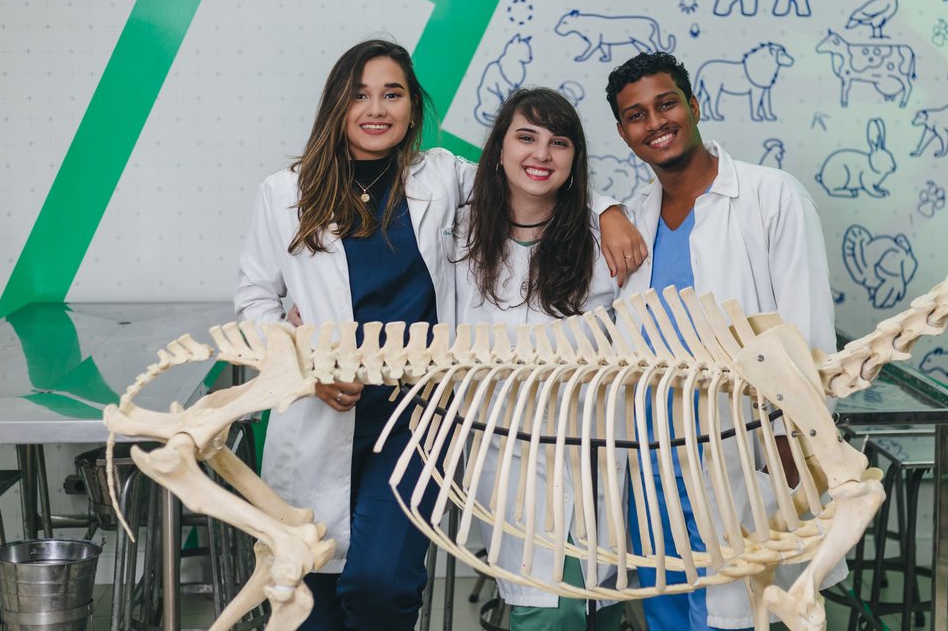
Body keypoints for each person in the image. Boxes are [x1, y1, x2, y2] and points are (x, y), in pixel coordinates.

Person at [234, 40, 642, 630]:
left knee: (380, 583)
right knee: (307, 588)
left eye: (392, 94)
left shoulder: (441, 176)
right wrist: (307, 363)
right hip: (321, 408)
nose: (378, 109)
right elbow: (255, 302)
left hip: (414, 416)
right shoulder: (284, 194)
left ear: (411, 107)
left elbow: (530, 177)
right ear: (336, 106)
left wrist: (607, 210)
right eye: (361, 95)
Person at [604, 51, 837, 631]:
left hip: (742, 444)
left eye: (666, 104)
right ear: (623, 132)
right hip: (653, 453)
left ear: (693, 106)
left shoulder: (771, 197)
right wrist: (605, 208)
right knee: (665, 601)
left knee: (739, 606)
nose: (655, 123)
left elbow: (805, 333)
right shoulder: (635, 217)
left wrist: (793, 440)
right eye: (636, 115)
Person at [454, 86, 625, 630]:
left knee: (599, 601)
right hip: (503, 446)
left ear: (575, 160)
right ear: (499, 149)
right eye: (526, 137)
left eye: (559, 143)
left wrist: (611, 209)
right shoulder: (456, 233)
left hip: (591, 438)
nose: (541, 155)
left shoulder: (606, 236)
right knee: (546, 603)